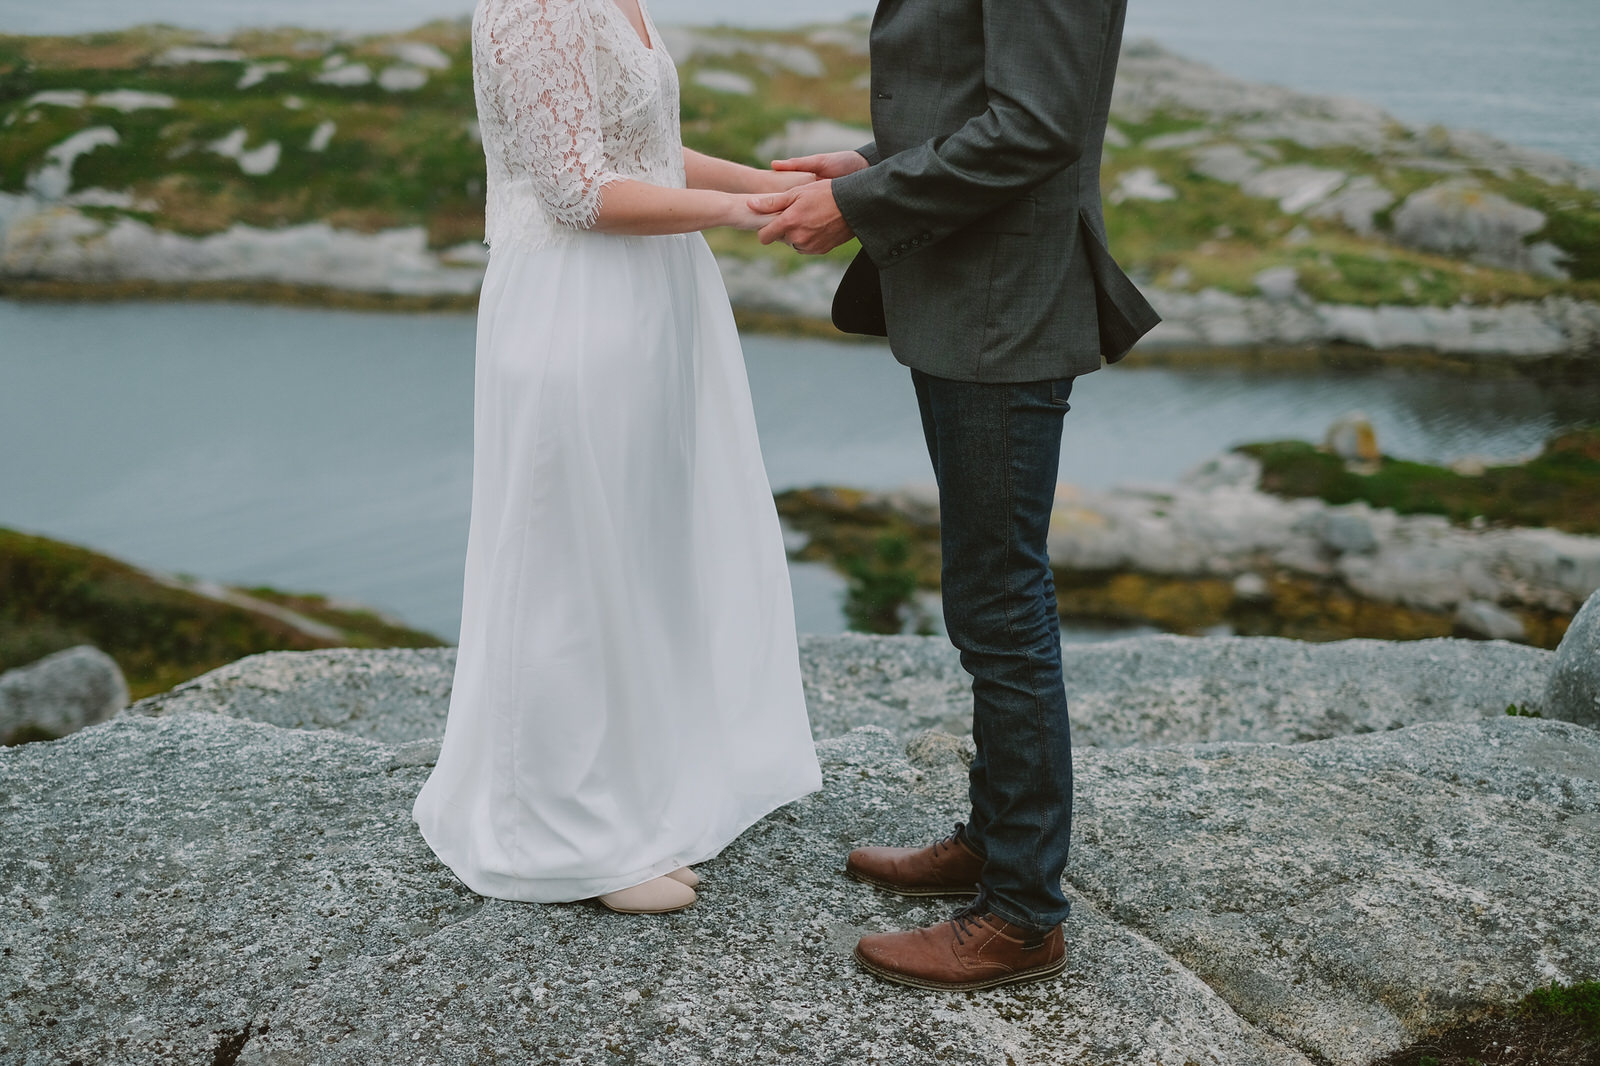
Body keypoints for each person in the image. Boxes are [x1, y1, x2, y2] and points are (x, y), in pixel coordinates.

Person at [751, 0, 1160, 989]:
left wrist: (865, 207)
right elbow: (975, 91)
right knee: (988, 590)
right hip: (970, 298)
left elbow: (1037, 124)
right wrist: (866, 167)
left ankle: (1022, 913)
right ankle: (993, 839)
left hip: (1005, 308)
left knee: (1001, 601)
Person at [411, 0, 822, 916]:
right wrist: (745, 210)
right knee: (568, 562)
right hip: (577, 302)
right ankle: (559, 834)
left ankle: (626, 799)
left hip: (652, 296)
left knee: (638, 554)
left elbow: (645, 151)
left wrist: (770, 183)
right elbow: (576, 190)